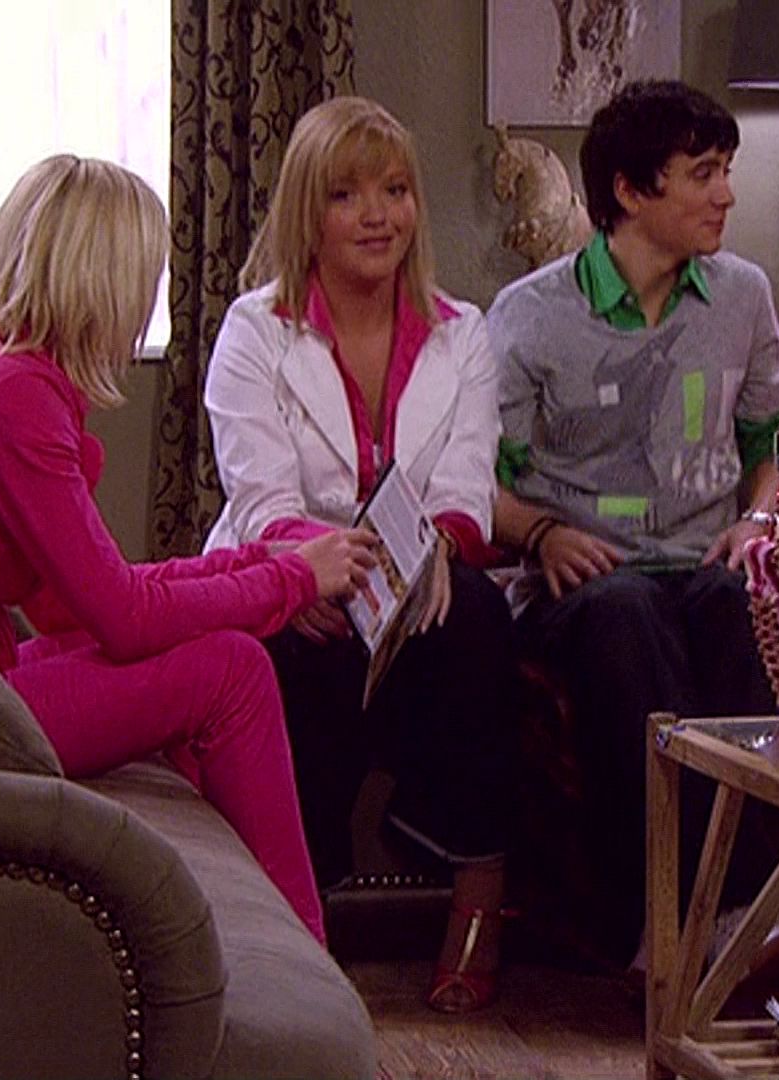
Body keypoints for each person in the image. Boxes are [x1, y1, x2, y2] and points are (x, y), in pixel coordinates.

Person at [0, 155, 379, 946]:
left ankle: (232, 934)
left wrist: (263, 566)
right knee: (232, 670)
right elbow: (122, 615)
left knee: (205, 650)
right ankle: (304, 953)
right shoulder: (8, 391)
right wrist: (289, 581)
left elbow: (73, 607)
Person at [485, 80, 779, 968]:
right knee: (627, 613)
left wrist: (758, 518)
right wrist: (541, 535)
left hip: (704, 564)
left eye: (727, 171)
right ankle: (678, 914)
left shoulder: (743, 296)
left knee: (735, 609)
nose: (728, 194)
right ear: (633, 191)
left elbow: (777, 440)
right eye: (704, 173)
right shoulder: (530, 315)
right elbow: (477, 482)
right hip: (582, 586)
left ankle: (760, 904)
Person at [203, 97, 521, 1013]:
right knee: (296, 650)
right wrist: (314, 566)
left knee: (479, 620)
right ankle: (300, 921)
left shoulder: (461, 332)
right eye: (347, 195)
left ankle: (479, 892)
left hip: (419, 583)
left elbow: (466, 481)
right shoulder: (256, 330)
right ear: (309, 212)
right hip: (296, 575)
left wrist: (427, 558)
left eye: (395, 190)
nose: (377, 215)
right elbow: (261, 495)